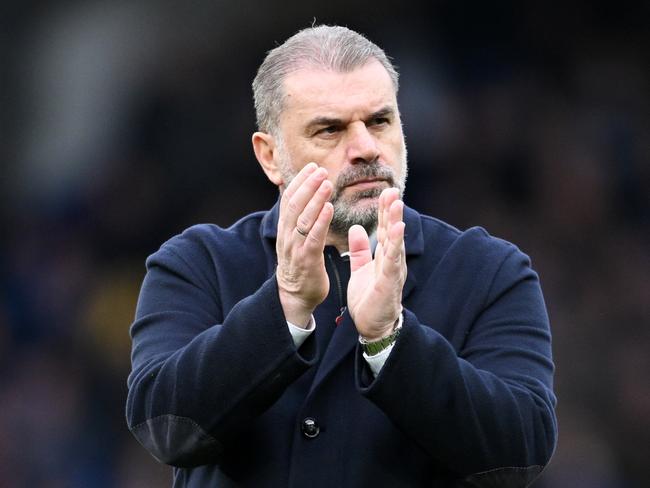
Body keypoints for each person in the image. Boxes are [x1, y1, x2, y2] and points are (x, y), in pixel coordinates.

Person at [126, 25, 557, 487]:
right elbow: (166, 428)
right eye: (330, 129)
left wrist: (389, 340)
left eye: (379, 121)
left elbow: (519, 454)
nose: (366, 149)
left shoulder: (490, 272)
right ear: (270, 156)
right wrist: (285, 305)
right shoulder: (196, 264)